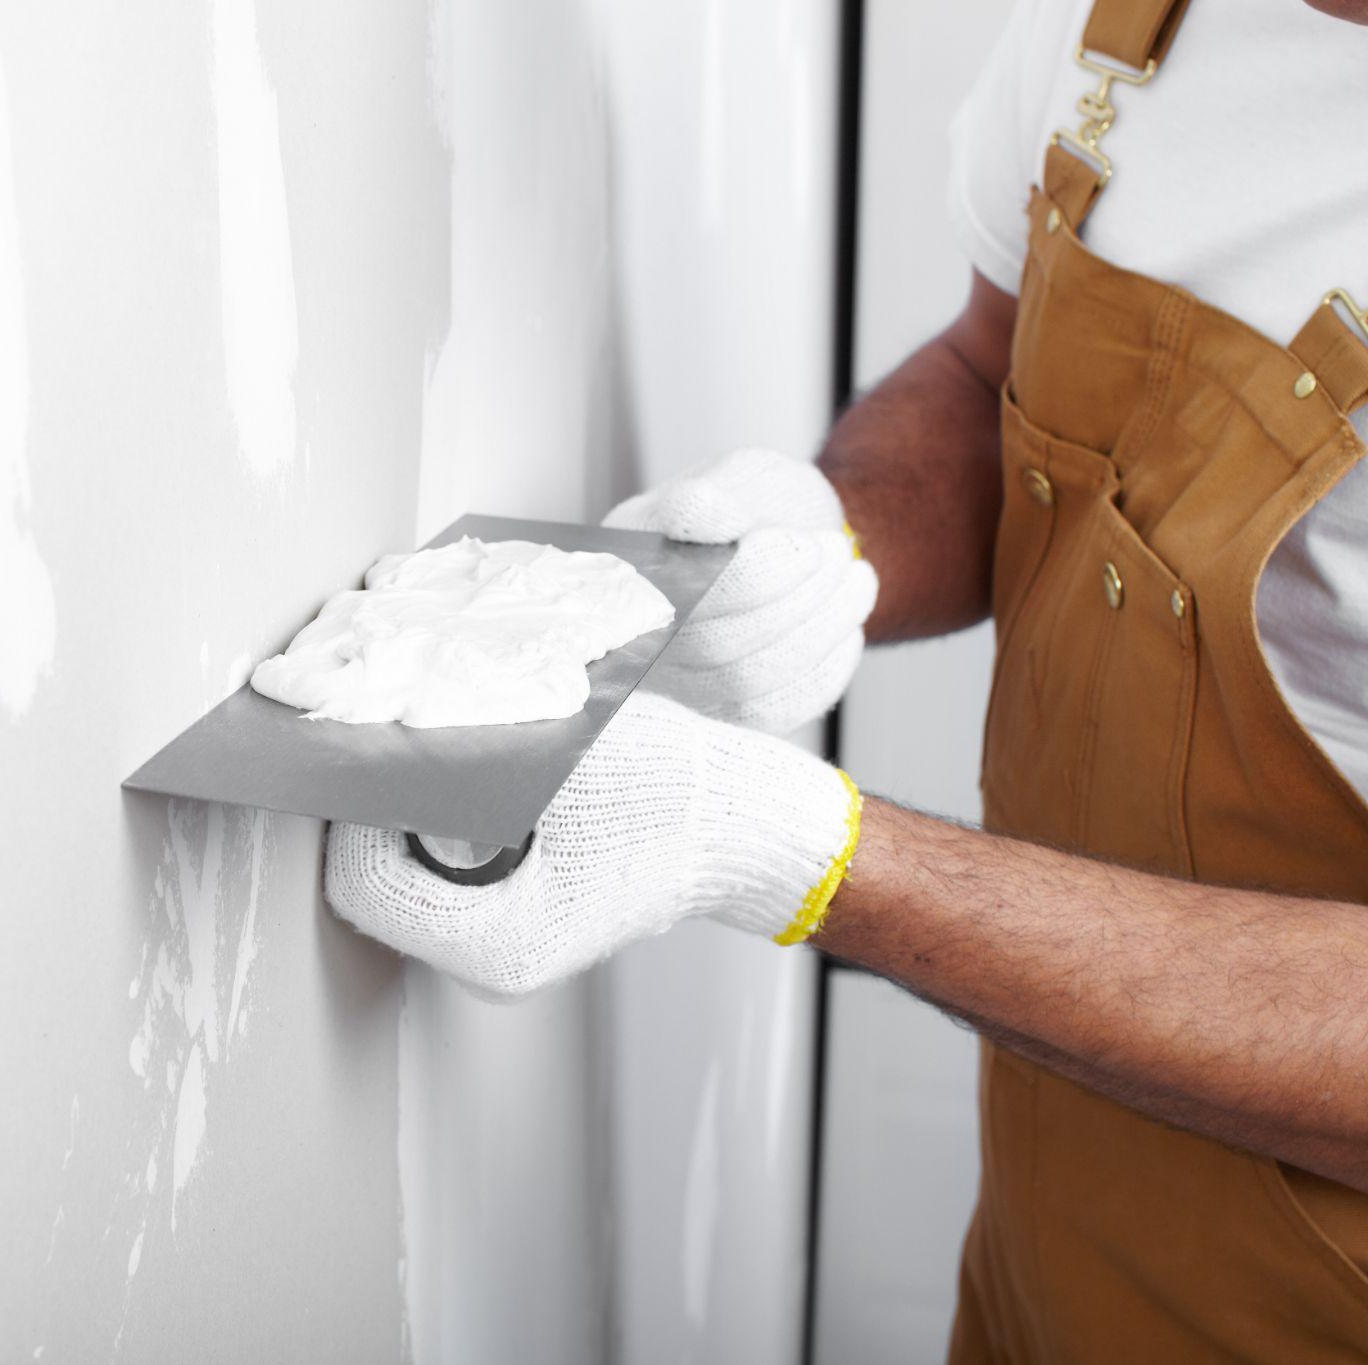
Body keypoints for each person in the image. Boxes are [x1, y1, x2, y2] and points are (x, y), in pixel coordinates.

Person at [324, 0, 1368, 1357]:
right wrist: (830, 538)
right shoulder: (1129, 29)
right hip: (1044, 1260)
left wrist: (787, 848)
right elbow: (991, 378)